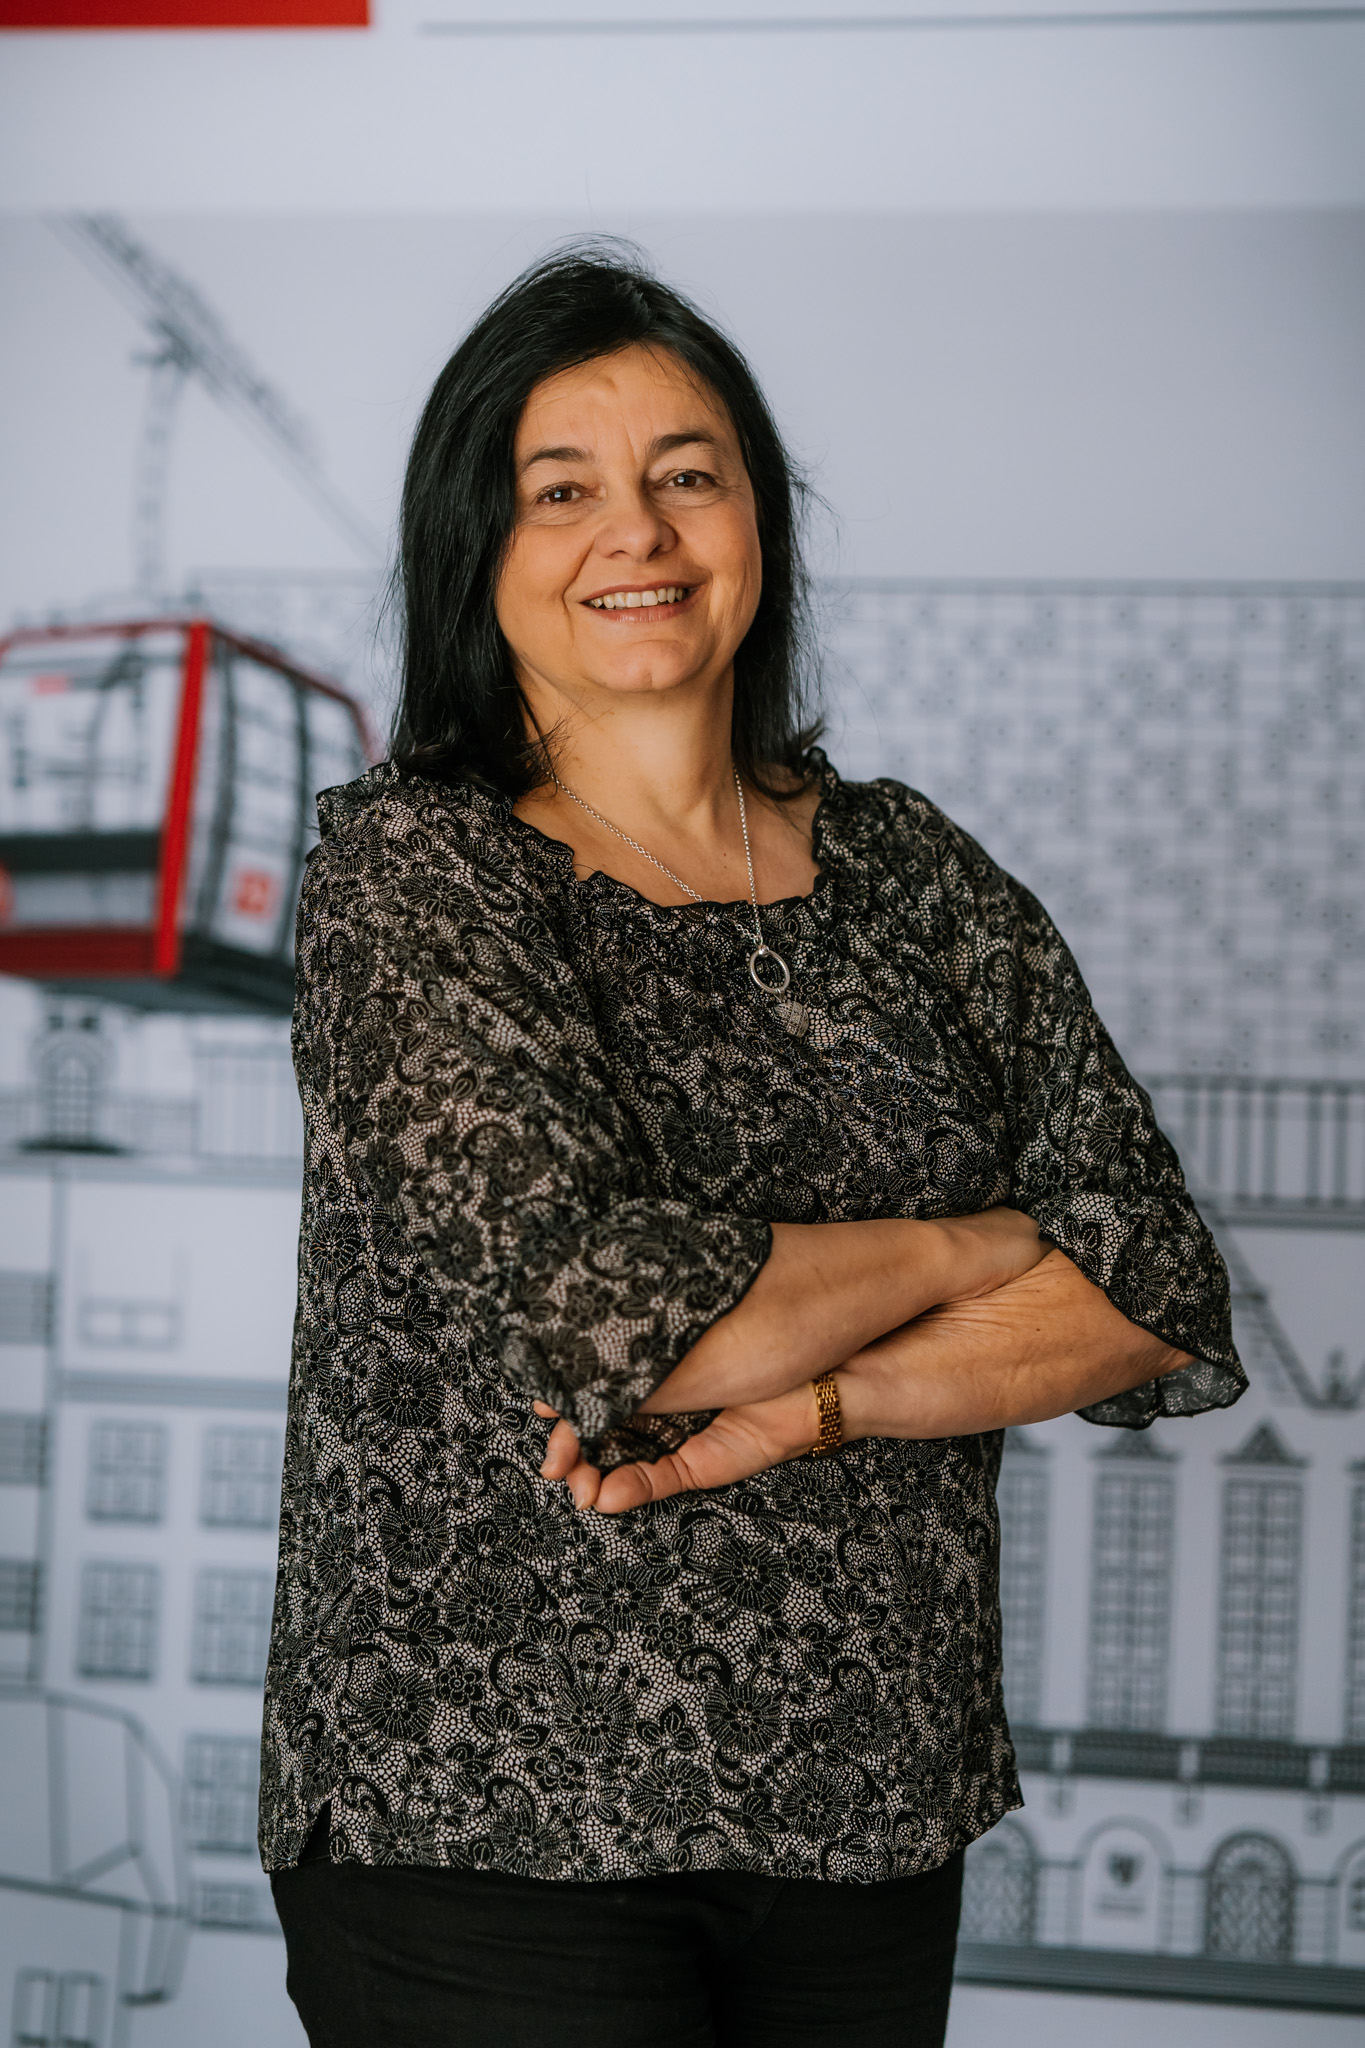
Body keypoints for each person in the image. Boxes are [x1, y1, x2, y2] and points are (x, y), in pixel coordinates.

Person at [263, 246, 1244, 2047]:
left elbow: (1153, 1289)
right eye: (560, 491)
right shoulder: (417, 874)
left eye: (685, 476)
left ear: (757, 525)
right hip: (496, 1824)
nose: (634, 533)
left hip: (868, 1815)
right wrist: (980, 1239)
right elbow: (635, 1328)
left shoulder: (909, 873)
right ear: (476, 550)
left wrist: (820, 1403)